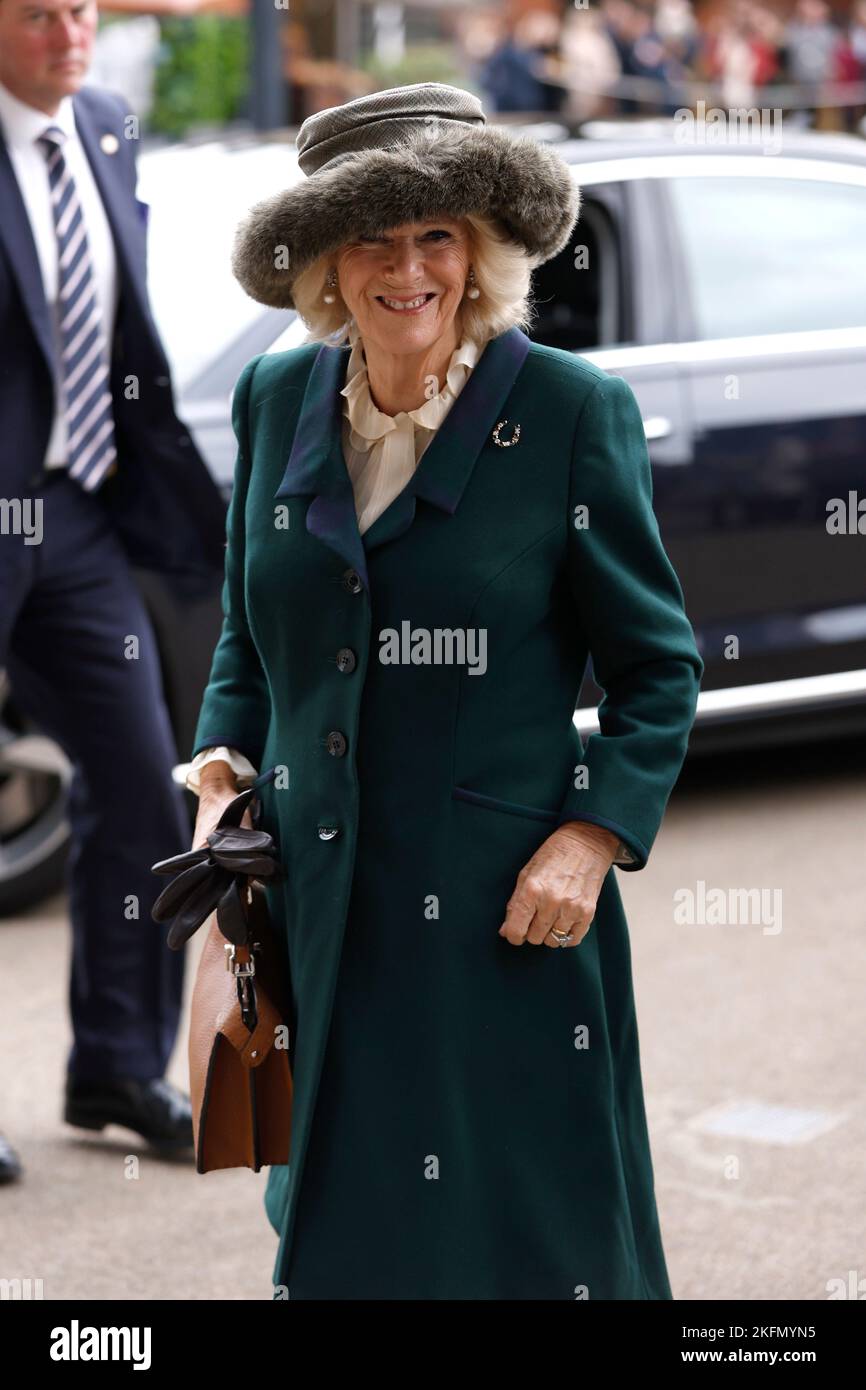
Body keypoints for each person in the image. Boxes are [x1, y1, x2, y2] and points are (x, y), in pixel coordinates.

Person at [188, 82, 704, 1300]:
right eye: (372, 234)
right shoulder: (277, 399)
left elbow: (657, 666)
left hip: (498, 915)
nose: (406, 267)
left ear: (480, 253)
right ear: (324, 260)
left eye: (438, 234)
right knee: (346, 1230)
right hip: (321, 908)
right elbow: (246, 640)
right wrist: (219, 774)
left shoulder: (572, 413)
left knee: (528, 1229)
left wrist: (589, 836)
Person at [0, 0, 227, 1180]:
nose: (66, 30)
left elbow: (117, 321)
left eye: (80, 7)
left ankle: (116, 1065)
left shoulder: (102, 126)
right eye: (36, 12)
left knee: (145, 782)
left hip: (77, 512)